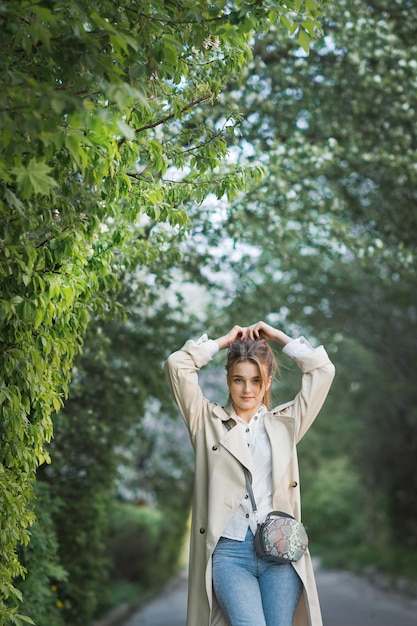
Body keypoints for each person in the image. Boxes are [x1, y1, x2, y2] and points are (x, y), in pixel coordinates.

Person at [164, 320, 335, 626]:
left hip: (279, 548)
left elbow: (323, 371)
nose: (247, 389)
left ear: (267, 382)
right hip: (230, 553)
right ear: (228, 380)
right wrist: (221, 342)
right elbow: (177, 366)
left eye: (256, 380)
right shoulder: (206, 423)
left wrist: (280, 338)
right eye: (239, 379)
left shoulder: (285, 424)